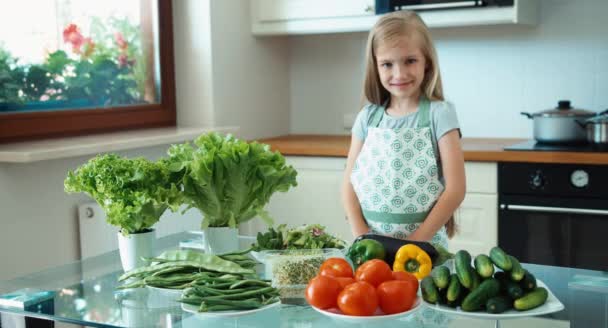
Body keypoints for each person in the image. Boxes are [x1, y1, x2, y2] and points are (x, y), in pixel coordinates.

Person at [341, 10, 466, 249]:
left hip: (424, 247)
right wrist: (362, 237)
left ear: (426, 62)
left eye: (410, 61)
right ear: (375, 66)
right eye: (387, 64)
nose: (399, 74)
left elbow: (456, 190)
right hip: (371, 247)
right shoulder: (367, 118)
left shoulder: (440, 114)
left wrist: (414, 243)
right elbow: (349, 183)